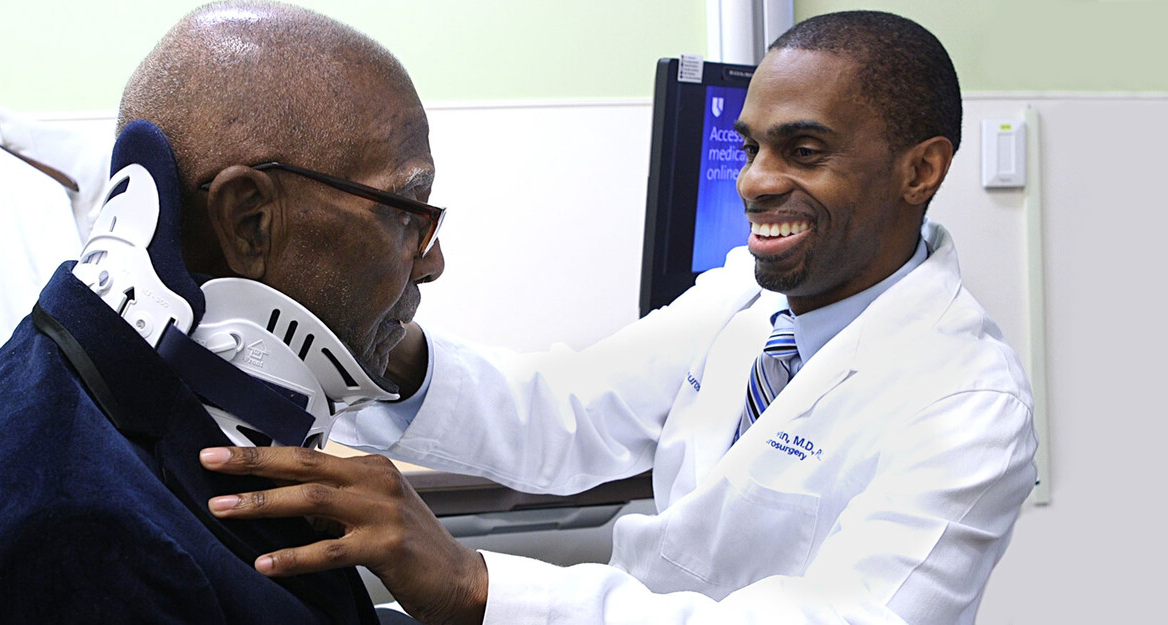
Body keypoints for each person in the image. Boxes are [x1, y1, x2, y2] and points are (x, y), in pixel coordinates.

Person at [201, 10, 1038, 625]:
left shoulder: (967, 405)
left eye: (804, 150)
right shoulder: (743, 297)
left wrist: (475, 584)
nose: (754, 181)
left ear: (920, 171)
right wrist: (370, 335)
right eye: (751, 146)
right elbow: (560, 411)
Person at [0, 2, 443, 623]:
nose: (432, 262)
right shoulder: (87, 535)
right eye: (408, 212)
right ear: (250, 221)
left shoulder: (65, 372)